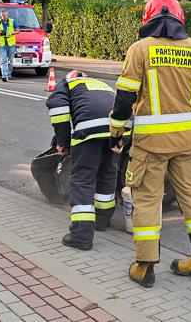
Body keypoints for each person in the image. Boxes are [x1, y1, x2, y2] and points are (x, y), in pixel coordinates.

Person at [109, 0, 191, 288]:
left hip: (150, 146)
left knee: (147, 200)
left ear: (148, 20)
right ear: (180, 19)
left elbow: (124, 99)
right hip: (187, 143)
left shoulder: (141, 49)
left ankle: (144, 266)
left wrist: (116, 132)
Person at [47, 69, 119, 251]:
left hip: (88, 130)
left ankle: (81, 235)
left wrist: (62, 142)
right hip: (115, 130)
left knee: (82, 178)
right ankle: (102, 220)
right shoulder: (102, 85)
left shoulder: (66, 84)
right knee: (107, 173)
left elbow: (59, 112)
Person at [0, 8, 17, 82]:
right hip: (2, 44)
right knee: (3, 60)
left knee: (10, 61)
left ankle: (9, 74)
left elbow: (18, 30)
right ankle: (4, 75)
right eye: (4, 16)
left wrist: (11, 33)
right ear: (1, 16)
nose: (5, 17)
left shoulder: (12, 21)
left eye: (6, 15)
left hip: (10, 44)